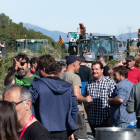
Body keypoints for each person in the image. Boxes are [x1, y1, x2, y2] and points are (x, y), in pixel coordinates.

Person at [29, 54, 78, 140]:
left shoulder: (37, 85)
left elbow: (27, 105)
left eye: (38, 69)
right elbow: (74, 109)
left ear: (43, 70)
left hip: (41, 132)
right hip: (64, 132)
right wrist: (71, 129)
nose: (37, 71)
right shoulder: (68, 87)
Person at [60, 55, 93, 140]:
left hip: (64, 110)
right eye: (78, 64)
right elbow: (76, 95)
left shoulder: (60, 76)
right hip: (76, 111)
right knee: (81, 136)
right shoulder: (75, 77)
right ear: (74, 63)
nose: (79, 66)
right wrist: (86, 99)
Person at [83, 61, 116, 138]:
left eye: (96, 69)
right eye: (93, 69)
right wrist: (88, 116)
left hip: (106, 120)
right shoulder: (89, 84)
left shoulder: (110, 83)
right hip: (93, 120)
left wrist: (111, 118)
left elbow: (114, 102)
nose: (94, 71)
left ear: (102, 70)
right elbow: (86, 102)